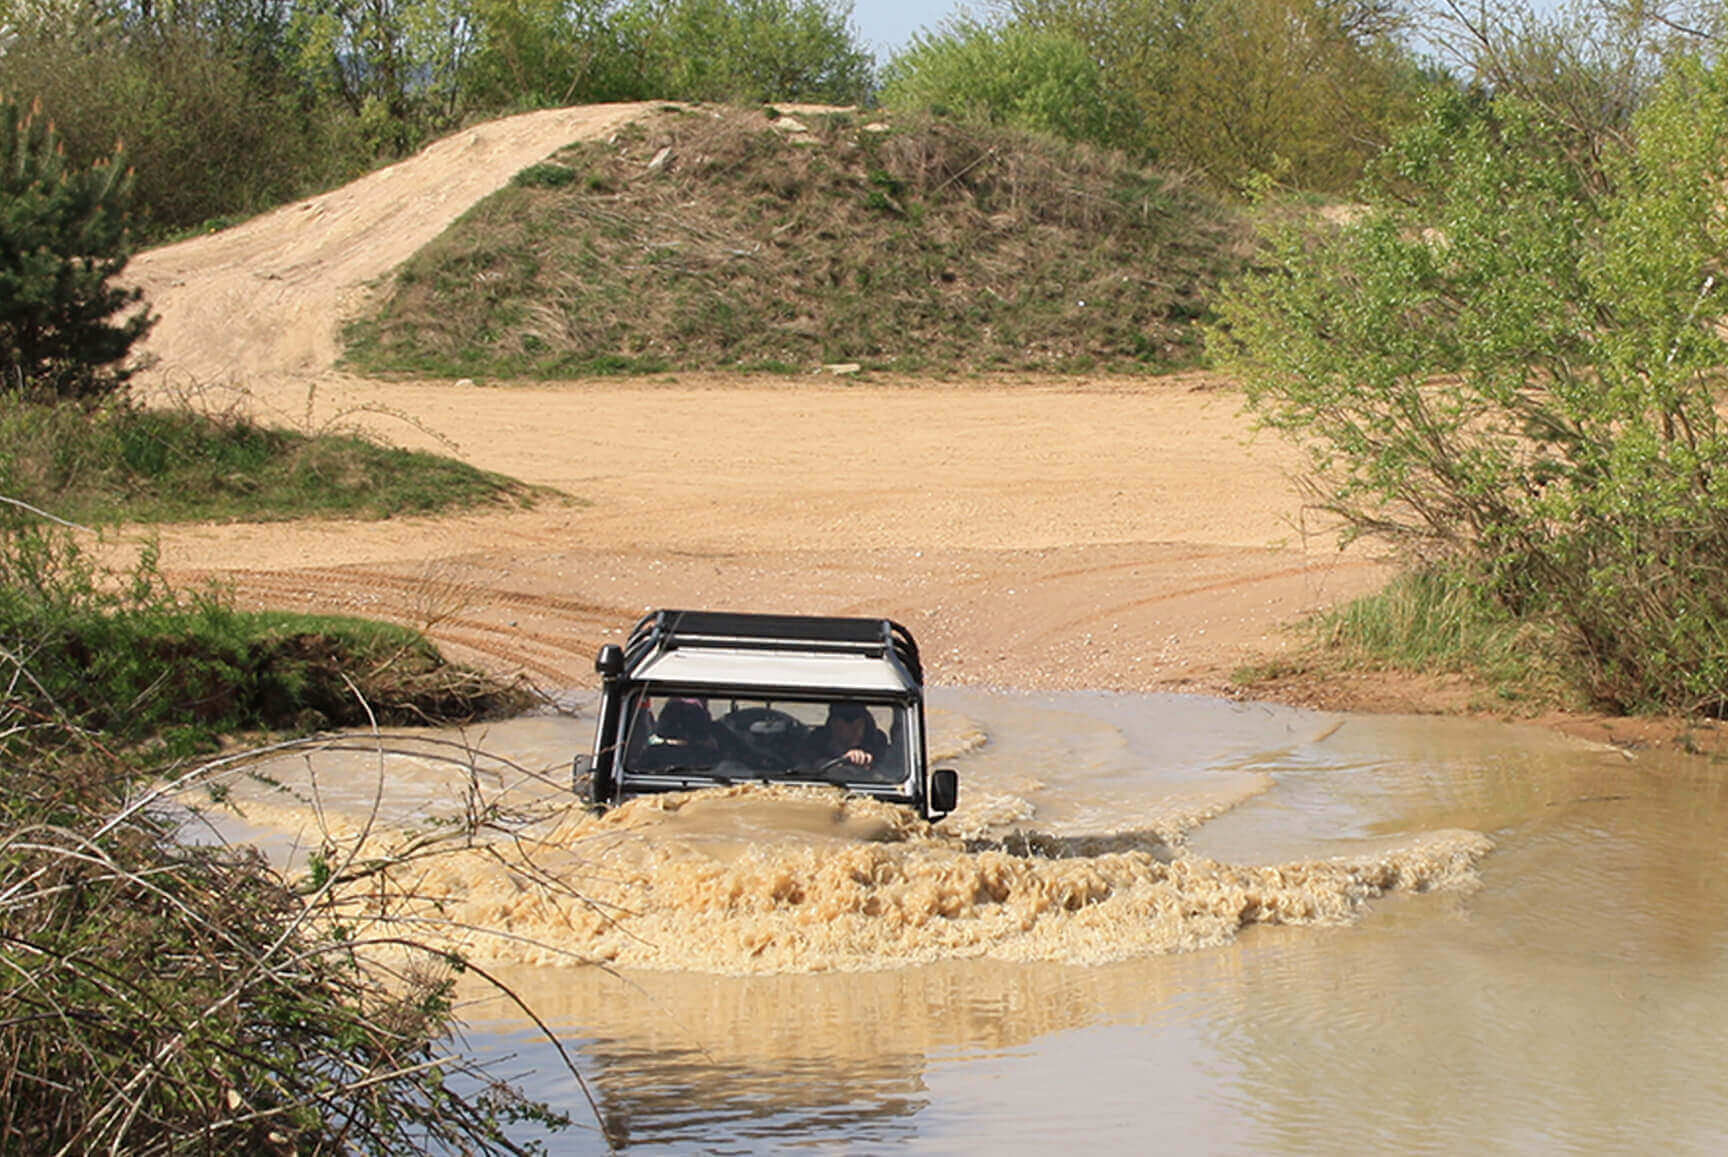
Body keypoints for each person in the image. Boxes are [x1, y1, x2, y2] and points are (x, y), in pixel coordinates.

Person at [804, 702, 887, 770]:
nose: (857, 731)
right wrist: (841, 760)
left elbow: (887, 771)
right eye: (852, 726)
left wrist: (866, 760)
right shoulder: (817, 741)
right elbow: (806, 767)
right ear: (835, 725)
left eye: (860, 724)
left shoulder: (876, 741)